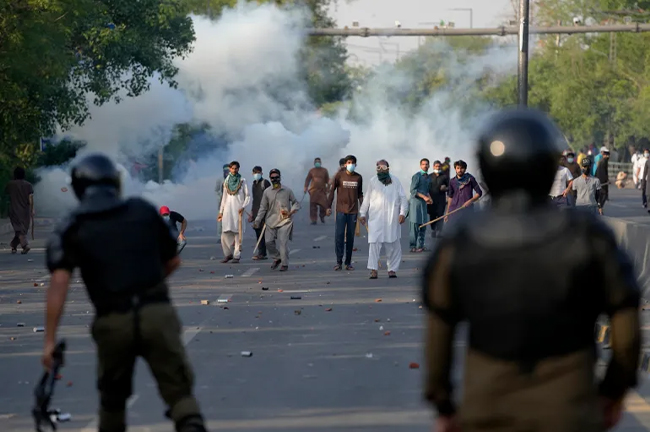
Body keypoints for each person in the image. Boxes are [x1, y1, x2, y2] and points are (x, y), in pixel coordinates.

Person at [422, 109, 640, 432]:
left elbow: (438, 333)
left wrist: (443, 404)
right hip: (570, 409)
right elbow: (625, 320)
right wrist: (613, 392)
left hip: (487, 408)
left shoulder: (461, 238)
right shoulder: (589, 235)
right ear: (548, 164)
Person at [43, 153, 208, 432]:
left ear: (78, 188)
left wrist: (49, 341)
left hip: (112, 320)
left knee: (112, 403)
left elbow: (59, 283)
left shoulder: (72, 225)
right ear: (116, 183)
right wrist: (147, 284)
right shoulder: (142, 211)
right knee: (180, 396)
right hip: (156, 313)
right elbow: (173, 260)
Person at [359, 160, 408, 279]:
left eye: (383, 167)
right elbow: (367, 199)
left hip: (392, 218)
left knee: (393, 244)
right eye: (378, 167)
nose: (381, 169)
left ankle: (392, 269)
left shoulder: (395, 181)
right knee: (374, 244)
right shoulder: (373, 181)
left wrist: (402, 213)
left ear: (388, 168)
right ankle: (373, 269)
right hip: (376, 218)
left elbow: (403, 198)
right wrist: (362, 213)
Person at [253, 169, 300, 272]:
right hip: (270, 221)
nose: (275, 179)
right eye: (272, 178)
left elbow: (296, 203)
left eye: (276, 177)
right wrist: (257, 221)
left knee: (283, 243)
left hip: (285, 221)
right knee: (268, 242)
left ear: (280, 178)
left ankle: (284, 264)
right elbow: (263, 208)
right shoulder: (267, 192)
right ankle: (277, 257)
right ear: (270, 178)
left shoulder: (287, 191)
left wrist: (291, 212)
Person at [326, 155, 363, 271]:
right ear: (345, 164)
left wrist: (364, 209)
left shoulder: (358, 177)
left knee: (350, 237)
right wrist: (328, 206)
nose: (350, 164)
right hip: (341, 211)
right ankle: (338, 261)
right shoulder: (339, 176)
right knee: (339, 236)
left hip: (353, 211)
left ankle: (348, 262)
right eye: (349, 162)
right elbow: (332, 192)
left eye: (353, 163)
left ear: (355, 165)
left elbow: (360, 194)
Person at [217, 161, 250, 264]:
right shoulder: (226, 181)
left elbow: (248, 195)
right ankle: (228, 254)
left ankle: (237, 255)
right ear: (230, 169)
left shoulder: (242, 181)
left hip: (238, 210)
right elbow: (224, 198)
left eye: (236, 168)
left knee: (238, 234)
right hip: (227, 210)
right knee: (224, 234)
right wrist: (221, 212)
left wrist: (243, 206)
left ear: (238, 169)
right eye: (232, 168)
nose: (234, 170)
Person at [5, 166, 34, 254]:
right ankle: (25, 245)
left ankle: (13, 245)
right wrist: (32, 209)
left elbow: (6, 195)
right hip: (25, 211)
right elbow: (30, 198)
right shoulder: (28, 185)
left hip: (14, 209)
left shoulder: (10, 184)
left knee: (20, 230)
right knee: (22, 230)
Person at [409, 158, 432, 252]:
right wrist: (424, 197)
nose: (425, 166)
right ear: (420, 165)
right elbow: (413, 190)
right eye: (423, 164)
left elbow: (427, 190)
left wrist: (430, 198)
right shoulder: (417, 176)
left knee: (423, 223)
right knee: (415, 224)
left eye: (427, 164)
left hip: (423, 204)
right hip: (416, 204)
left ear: (429, 166)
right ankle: (413, 246)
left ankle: (420, 245)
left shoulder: (428, 177)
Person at [249, 166, 271, 260]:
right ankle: (262, 252)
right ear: (252, 174)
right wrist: (252, 213)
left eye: (258, 172)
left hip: (264, 211)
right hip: (256, 212)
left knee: (263, 232)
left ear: (262, 173)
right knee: (258, 232)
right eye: (255, 173)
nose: (257, 174)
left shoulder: (265, 183)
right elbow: (254, 199)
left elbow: (271, 196)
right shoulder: (254, 184)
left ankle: (263, 253)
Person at [304, 157, 330, 225]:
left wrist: (328, 188)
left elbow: (328, 180)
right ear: (314, 163)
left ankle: (322, 216)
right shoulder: (311, 171)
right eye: (316, 162)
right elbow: (307, 179)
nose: (317, 163)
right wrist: (305, 187)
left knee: (324, 205)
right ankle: (313, 220)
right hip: (313, 191)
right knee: (313, 206)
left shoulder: (324, 170)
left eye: (318, 162)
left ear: (320, 163)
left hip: (322, 190)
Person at [427, 160, 449, 238]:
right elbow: (426, 188)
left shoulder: (444, 177)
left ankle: (439, 231)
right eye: (436, 166)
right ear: (433, 167)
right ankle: (433, 229)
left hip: (441, 200)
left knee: (440, 215)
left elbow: (449, 187)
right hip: (431, 200)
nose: (437, 167)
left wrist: (445, 188)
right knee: (432, 215)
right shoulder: (429, 176)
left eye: (439, 166)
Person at [214, 164, 229, 237]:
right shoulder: (220, 180)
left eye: (228, 171)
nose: (227, 172)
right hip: (221, 202)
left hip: (231, 203)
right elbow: (216, 190)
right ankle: (220, 236)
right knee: (220, 219)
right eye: (225, 171)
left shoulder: (233, 180)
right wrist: (220, 196)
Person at [595, 147, 610, 213]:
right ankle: (599, 208)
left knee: (602, 196)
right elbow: (602, 173)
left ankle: (599, 208)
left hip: (601, 181)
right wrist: (606, 181)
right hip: (602, 182)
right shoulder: (603, 162)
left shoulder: (603, 161)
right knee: (603, 195)